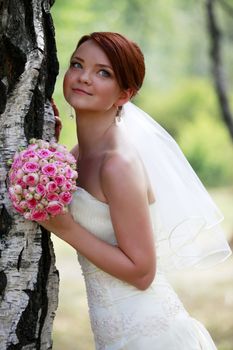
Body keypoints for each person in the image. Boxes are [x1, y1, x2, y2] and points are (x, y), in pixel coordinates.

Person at [39, 32, 231, 349]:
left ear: (124, 95)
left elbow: (142, 272)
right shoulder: (79, 155)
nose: (84, 77)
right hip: (114, 332)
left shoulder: (117, 164)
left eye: (103, 72)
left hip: (149, 334)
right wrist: (53, 152)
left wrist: (65, 228)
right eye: (77, 65)